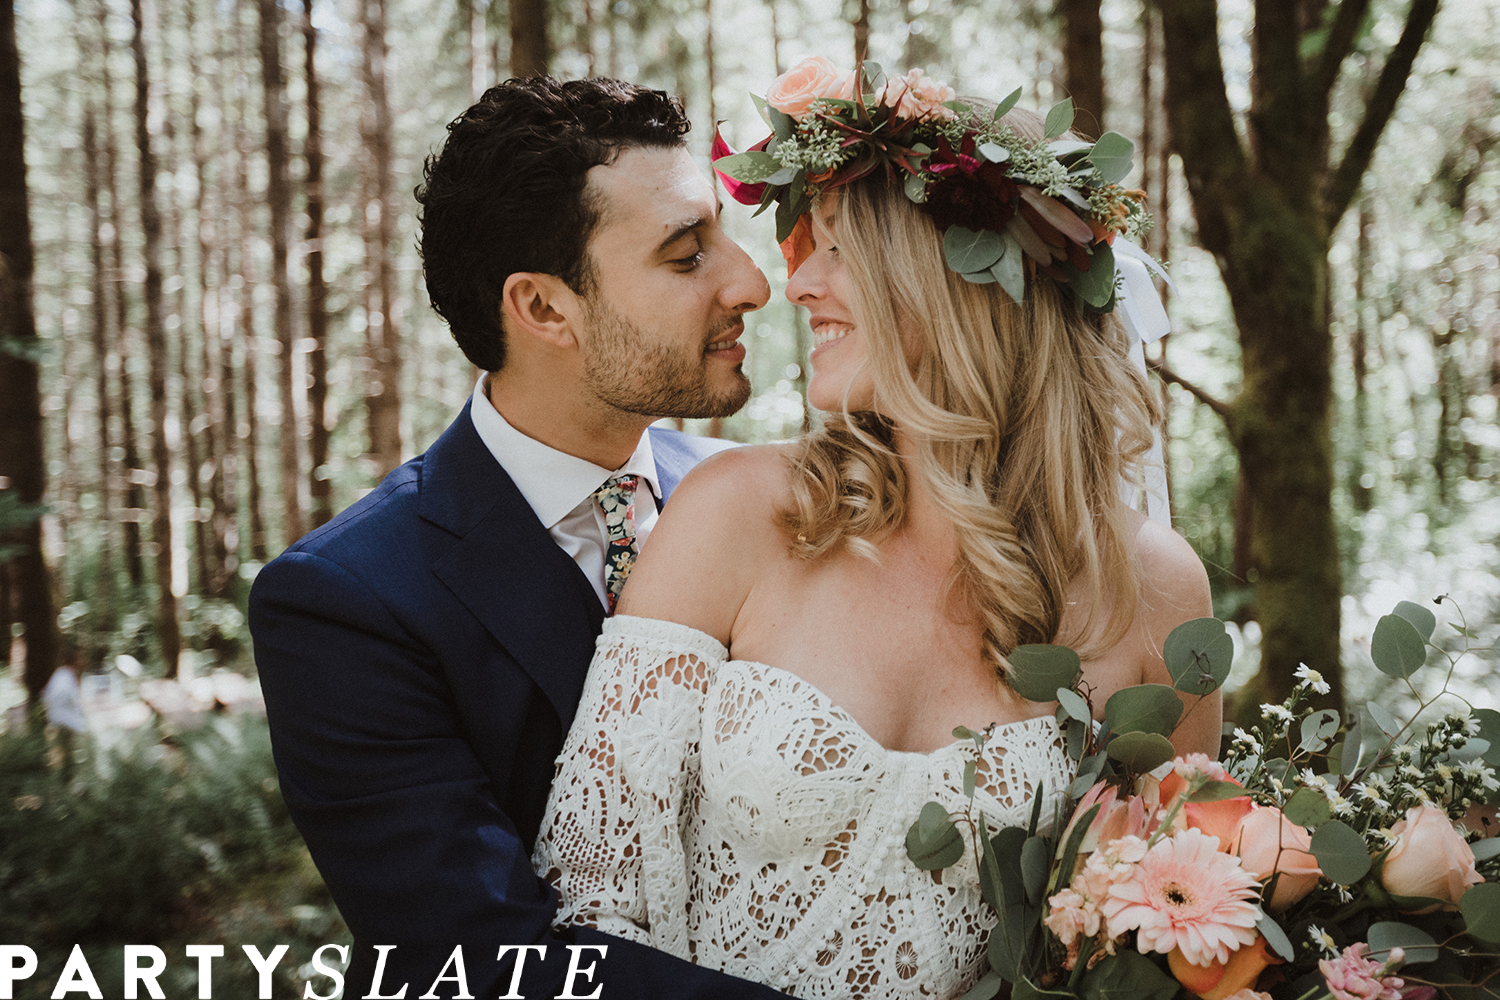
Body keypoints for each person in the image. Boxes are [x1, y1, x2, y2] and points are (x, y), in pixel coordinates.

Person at [531, 61, 1220, 998]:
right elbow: (593, 899)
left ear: (969, 280)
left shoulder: (1157, 588)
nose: (797, 283)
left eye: (844, 250)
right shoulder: (738, 512)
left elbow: (1176, 929)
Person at [248, 77, 789, 1000]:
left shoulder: (766, 501)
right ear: (543, 309)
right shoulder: (345, 601)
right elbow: (486, 960)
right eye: (686, 254)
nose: (751, 283)